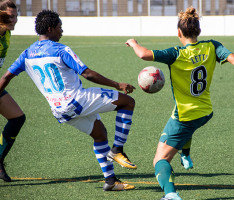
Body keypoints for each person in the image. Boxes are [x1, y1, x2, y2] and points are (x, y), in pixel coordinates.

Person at [126, 7, 234, 200]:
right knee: (186, 124)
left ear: (178, 32)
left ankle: (171, 195)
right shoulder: (212, 46)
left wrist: (133, 42)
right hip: (205, 112)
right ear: (199, 32)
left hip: (185, 116)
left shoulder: (176, 53)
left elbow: (143, 54)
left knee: (160, 159)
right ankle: (185, 155)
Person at [0, 9, 137, 191]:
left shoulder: (27, 53)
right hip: (77, 100)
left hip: (59, 110)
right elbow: (88, 74)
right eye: (59, 27)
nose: (61, 31)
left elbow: (6, 77)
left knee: (99, 134)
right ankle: (118, 149)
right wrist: (117, 84)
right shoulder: (61, 50)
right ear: (50, 29)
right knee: (127, 102)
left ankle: (110, 181)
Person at [0, 0, 26, 182]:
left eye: (15, 16)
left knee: (17, 118)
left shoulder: (6, 33)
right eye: (9, 17)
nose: (13, 20)